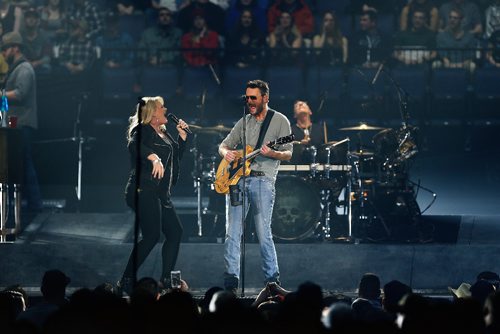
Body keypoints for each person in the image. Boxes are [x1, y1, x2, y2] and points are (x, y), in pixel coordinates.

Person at [218, 79, 293, 292]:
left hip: (263, 180)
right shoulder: (244, 121)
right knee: (232, 232)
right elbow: (223, 145)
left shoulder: (280, 121)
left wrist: (273, 153)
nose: (249, 101)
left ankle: (272, 281)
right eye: (247, 97)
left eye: (254, 97)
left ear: (265, 98)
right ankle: (231, 280)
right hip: (238, 180)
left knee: (263, 232)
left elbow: (288, 153)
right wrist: (227, 153)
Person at [118, 96, 190, 295]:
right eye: (161, 107)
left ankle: (166, 278)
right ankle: (126, 279)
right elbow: (134, 145)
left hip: (160, 193)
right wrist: (153, 156)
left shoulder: (164, 133)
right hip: (143, 189)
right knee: (152, 236)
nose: (165, 108)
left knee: (175, 232)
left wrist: (183, 139)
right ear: (152, 113)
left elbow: (174, 159)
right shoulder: (142, 130)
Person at [1, 31, 42, 217]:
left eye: (5, 49)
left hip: (22, 124)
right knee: (20, 164)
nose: (3, 53)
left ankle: (34, 205)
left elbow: (20, 94)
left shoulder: (24, 69)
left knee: (24, 163)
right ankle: (27, 204)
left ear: (15, 48)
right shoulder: (16, 68)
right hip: (15, 124)